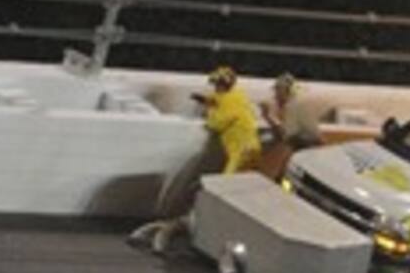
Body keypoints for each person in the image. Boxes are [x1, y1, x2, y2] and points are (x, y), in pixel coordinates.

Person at [128, 65, 262, 253]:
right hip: (245, 148)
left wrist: (208, 109)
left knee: (225, 189)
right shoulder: (236, 95)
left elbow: (215, 123)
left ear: (224, 84)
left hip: (242, 152)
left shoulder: (231, 101)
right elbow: (218, 101)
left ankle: (212, 230)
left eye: (217, 85)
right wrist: (207, 100)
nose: (215, 89)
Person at [258, 72, 324, 180]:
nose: (275, 95)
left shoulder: (292, 106)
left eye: (278, 90)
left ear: (286, 91)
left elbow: (285, 137)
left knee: (283, 175)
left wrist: (267, 117)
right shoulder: (294, 104)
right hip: (305, 148)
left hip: (308, 150)